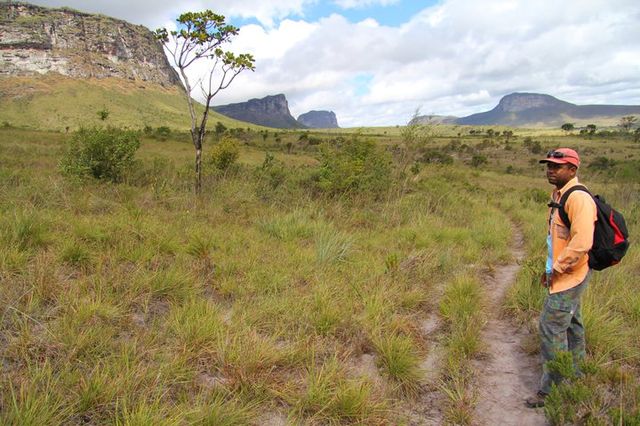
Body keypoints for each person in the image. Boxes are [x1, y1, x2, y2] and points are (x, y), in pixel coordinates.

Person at [526, 148, 597, 408]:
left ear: (573, 170)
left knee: (550, 327)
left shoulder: (578, 198)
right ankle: (575, 374)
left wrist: (557, 268)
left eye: (558, 166)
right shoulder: (559, 194)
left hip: (570, 276)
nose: (551, 170)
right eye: (549, 165)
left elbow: (582, 242)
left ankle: (551, 390)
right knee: (572, 325)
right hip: (565, 275)